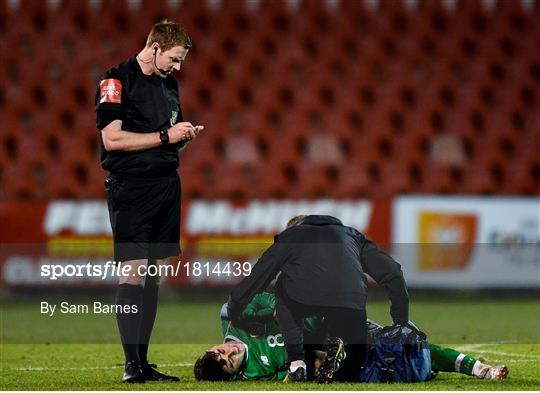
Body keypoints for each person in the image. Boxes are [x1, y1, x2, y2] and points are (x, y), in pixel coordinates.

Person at [94, 19, 203, 383]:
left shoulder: (169, 85)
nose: (178, 66)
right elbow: (113, 141)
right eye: (174, 58)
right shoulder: (115, 80)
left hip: (166, 186)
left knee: (154, 275)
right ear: (155, 48)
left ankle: (143, 363)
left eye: (181, 60)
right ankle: (131, 367)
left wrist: (182, 137)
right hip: (132, 186)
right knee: (135, 270)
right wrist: (164, 135)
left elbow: (166, 137)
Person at [227, 214, 410, 382]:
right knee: (351, 370)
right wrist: (400, 321)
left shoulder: (290, 237)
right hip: (352, 304)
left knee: (282, 283)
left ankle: (296, 364)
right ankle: (348, 359)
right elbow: (393, 273)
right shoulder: (353, 236)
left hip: (302, 300)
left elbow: (258, 277)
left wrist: (233, 309)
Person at [194, 292, 509, 382]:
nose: (227, 353)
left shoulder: (235, 322)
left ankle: (478, 368)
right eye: (226, 363)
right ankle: (452, 367)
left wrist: (284, 314)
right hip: (335, 350)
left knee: (396, 343)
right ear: (233, 375)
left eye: (219, 352)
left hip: (329, 318)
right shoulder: (255, 373)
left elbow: (261, 299)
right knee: (402, 355)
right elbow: (290, 377)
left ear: (214, 346)